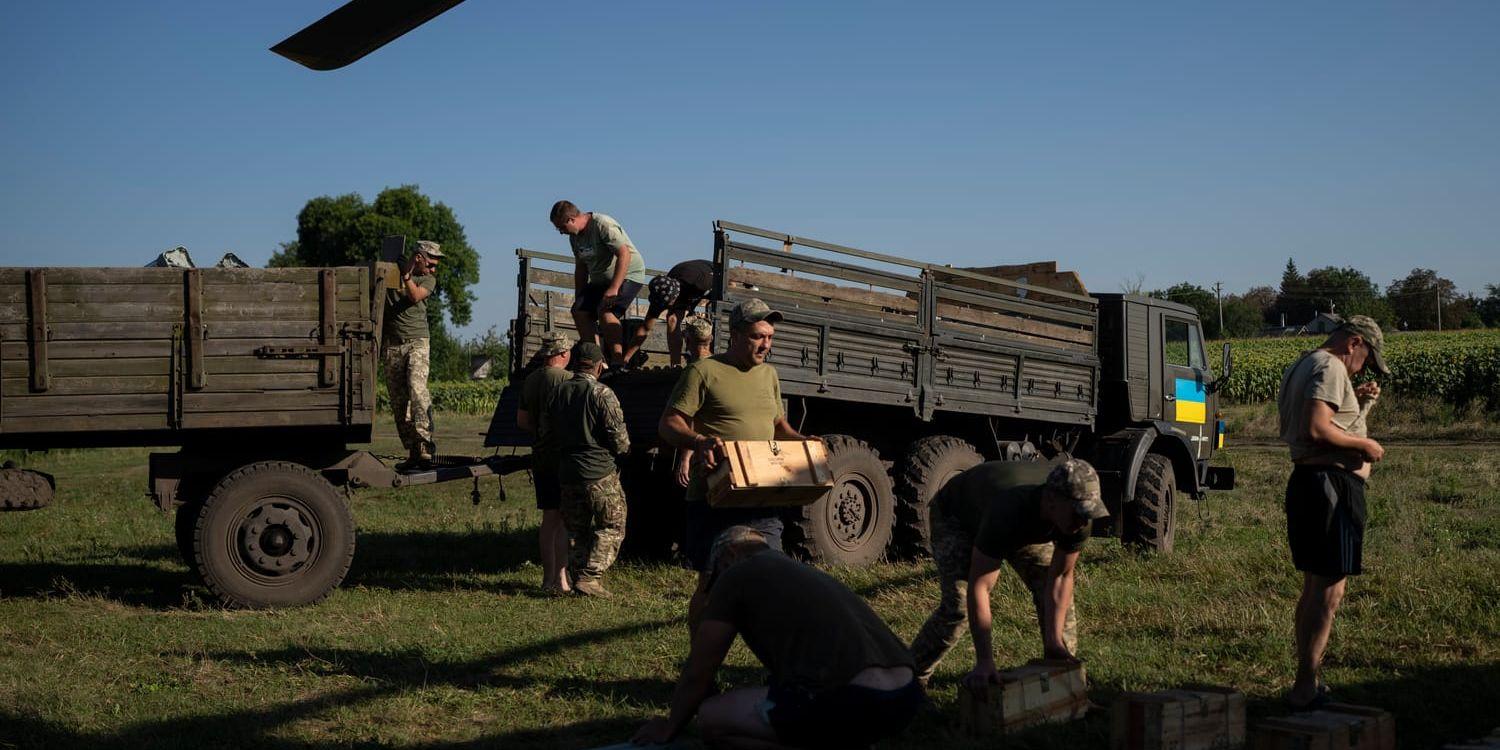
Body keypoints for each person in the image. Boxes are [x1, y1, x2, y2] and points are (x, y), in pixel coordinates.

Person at [632, 526, 923, 749]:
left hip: (854, 700)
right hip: (905, 697)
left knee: (712, 720)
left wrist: (670, 726)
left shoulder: (736, 574)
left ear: (729, 556)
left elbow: (700, 669)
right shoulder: (799, 570)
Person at [658, 299, 812, 635]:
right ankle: (701, 663)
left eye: (770, 337)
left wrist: (804, 441)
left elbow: (776, 426)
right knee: (712, 585)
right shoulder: (703, 372)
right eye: (758, 336)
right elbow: (669, 424)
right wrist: (699, 442)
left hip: (762, 497)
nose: (766, 345)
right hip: (714, 497)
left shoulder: (769, 375)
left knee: (772, 579)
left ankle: (772, 667)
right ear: (737, 334)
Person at [909, 458, 1110, 686]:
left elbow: (1061, 577)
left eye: (1088, 513)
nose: (1083, 522)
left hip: (1022, 521)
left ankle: (1063, 680)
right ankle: (910, 678)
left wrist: (1054, 641)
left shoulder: (1079, 517)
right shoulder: (1007, 510)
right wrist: (985, 661)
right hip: (958, 518)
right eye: (1077, 513)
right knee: (959, 605)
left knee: (1048, 584)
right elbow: (981, 585)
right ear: (1052, 499)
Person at [1276, 315, 1388, 709]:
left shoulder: (1307, 362)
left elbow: (1327, 421)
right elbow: (1317, 429)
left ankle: (1307, 681)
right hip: (1330, 488)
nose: (1365, 367)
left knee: (1316, 586)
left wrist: (1361, 402)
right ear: (1355, 343)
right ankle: (1306, 686)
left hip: (1312, 484)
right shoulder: (1330, 365)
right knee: (1328, 589)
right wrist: (1366, 445)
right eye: (1367, 359)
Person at [549, 341, 632, 597]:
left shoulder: (558, 392)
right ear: (598, 366)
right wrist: (625, 451)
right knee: (613, 525)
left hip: (568, 471)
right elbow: (619, 439)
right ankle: (590, 577)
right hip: (598, 472)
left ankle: (578, 579)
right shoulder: (601, 393)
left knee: (576, 529)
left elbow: (548, 430)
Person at [550, 200, 647, 368]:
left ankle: (618, 361)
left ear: (571, 219)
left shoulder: (602, 225)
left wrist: (614, 288)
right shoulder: (574, 238)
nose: (561, 232)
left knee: (606, 311)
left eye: (562, 228)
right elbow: (581, 268)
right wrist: (580, 297)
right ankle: (596, 361)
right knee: (579, 311)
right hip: (600, 280)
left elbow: (625, 254)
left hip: (628, 274)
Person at [517, 331, 574, 594]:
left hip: (540, 455)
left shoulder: (531, 380)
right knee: (562, 519)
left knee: (549, 517)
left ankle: (548, 577)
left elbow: (522, 421)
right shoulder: (567, 379)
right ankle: (561, 579)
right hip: (563, 456)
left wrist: (540, 435)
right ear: (563, 354)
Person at [383, 239, 443, 468]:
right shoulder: (391, 273)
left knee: (418, 392)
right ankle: (414, 451)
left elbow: (415, 296)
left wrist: (406, 277)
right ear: (419, 257)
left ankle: (426, 445)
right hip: (393, 345)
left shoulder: (427, 279)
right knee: (399, 401)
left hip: (418, 342)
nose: (433, 269)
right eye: (431, 263)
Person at [622, 259, 716, 367]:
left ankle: (707, 362)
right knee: (672, 320)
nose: (668, 307)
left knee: (703, 325)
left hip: (711, 275)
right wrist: (625, 359)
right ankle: (675, 365)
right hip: (686, 284)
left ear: (675, 297)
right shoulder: (661, 292)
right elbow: (645, 329)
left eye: (669, 304)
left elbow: (721, 296)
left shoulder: (701, 282)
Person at [671, 316, 716, 489]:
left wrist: (684, 459)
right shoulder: (718, 367)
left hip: (700, 453)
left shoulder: (694, 372)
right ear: (710, 339)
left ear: (687, 340)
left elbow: (690, 419)